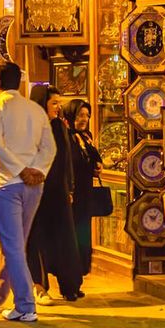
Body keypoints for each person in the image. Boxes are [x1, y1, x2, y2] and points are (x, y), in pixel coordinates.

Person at [0, 61, 53, 323]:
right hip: (34, 185)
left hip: (6, 183)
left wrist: (21, 170)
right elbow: (49, 148)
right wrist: (38, 170)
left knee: (12, 247)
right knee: (17, 245)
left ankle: (25, 305)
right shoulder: (35, 110)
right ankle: (3, 292)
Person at [23, 84, 85, 304]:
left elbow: (66, 159)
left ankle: (69, 285)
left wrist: (69, 188)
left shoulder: (59, 126)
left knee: (64, 237)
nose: (58, 107)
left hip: (58, 191)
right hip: (35, 190)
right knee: (37, 238)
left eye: (59, 103)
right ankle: (39, 287)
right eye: (53, 103)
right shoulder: (28, 128)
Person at [66, 99, 102, 275]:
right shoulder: (65, 137)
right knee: (72, 232)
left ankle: (82, 268)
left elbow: (93, 158)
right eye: (80, 115)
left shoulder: (86, 137)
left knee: (83, 230)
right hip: (72, 194)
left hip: (85, 192)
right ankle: (72, 269)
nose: (84, 119)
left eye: (87, 115)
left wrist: (97, 166)